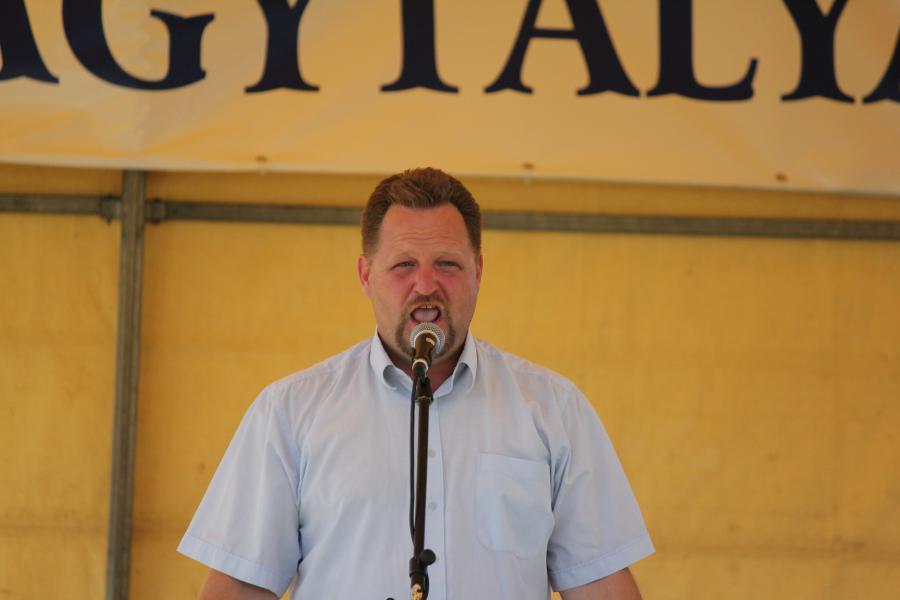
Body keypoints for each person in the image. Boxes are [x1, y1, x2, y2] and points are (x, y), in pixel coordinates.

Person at [179, 167, 654, 599]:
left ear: (478, 272)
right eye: (404, 265)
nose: (426, 285)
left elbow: (601, 584)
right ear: (366, 275)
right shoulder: (289, 411)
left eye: (447, 264)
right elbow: (239, 587)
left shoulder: (553, 408)